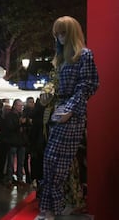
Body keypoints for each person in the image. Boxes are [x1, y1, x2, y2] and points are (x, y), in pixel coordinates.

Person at [36, 16, 99, 220]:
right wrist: (48, 95)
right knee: (50, 162)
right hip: (59, 113)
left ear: (71, 33)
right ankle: (49, 209)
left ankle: (54, 208)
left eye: (62, 33)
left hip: (72, 116)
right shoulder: (61, 59)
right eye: (57, 34)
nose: (60, 38)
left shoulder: (85, 55)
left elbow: (88, 86)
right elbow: (54, 86)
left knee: (58, 165)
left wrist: (69, 110)